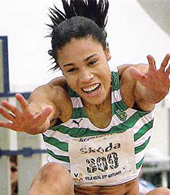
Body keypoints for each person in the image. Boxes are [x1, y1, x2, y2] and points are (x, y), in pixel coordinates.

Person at [0, 0, 170, 194]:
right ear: (61, 69)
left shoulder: (129, 84)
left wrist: (157, 90)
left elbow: (147, 90)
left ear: (107, 51)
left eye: (92, 62)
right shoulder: (57, 96)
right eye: (72, 69)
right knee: (53, 172)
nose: (86, 77)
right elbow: (41, 110)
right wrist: (33, 123)